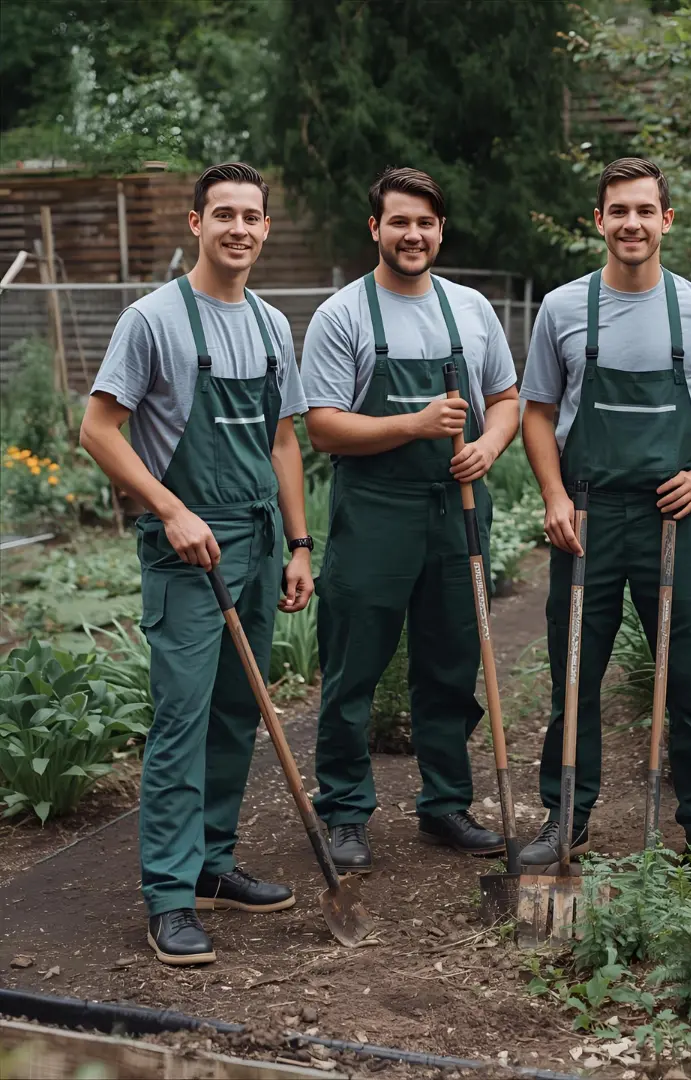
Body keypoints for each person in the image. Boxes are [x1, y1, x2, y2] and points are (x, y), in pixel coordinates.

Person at [80, 162, 313, 966]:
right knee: (182, 720)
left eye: (251, 216)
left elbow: (284, 439)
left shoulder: (274, 325)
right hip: (187, 546)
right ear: (195, 223)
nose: (238, 229)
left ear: (265, 229)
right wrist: (170, 509)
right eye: (224, 215)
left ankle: (213, 864)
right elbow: (99, 430)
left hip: (256, 540)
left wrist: (299, 545)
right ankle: (169, 898)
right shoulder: (152, 321)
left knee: (234, 712)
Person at [517, 157, 691, 880]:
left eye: (644, 211)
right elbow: (537, 411)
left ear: (666, 220)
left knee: (687, 675)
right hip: (588, 515)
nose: (631, 223)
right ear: (599, 220)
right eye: (618, 210)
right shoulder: (561, 308)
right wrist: (555, 497)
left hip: (669, 516)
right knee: (575, 673)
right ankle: (568, 814)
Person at [301, 166, 520, 873]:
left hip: (456, 507)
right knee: (352, 666)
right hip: (376, 511)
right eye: (399, 221)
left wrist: (487, 443)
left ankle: (446, 804)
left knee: (452, 661)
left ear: (440, 230)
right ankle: (344, 812)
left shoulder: (471, 309)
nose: (413, 234)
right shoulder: (343, 315)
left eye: (425, 223)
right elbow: (325, 429)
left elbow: (507, 397)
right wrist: (416, 422)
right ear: (375, 229)